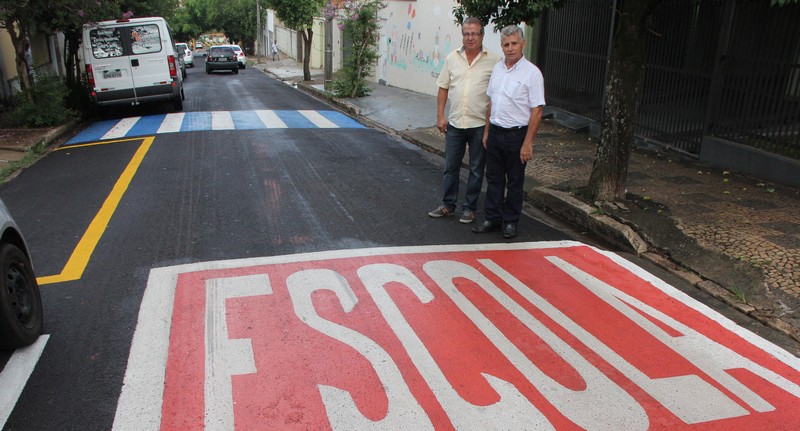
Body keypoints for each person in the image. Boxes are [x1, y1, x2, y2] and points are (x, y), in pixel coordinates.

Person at [472, 25, 545, 239]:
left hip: (516, 135)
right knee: (493, 178)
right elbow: (491, 102)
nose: (510, 48)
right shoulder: (497, 69)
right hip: (495, 132)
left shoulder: (532, 73)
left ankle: (510, 221)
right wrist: (487, 131)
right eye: (506, 44)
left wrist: (527, 143)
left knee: (514, 181)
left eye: (514, 43)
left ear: (523, 44)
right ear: (501, 46)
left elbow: (537, 110)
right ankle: (492, 218)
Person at [427, 18, 499, 224]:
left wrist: (490, 125)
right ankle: (448, 205)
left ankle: (469, 208)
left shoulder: (494, 61)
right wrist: (440, 115)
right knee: (451, 166)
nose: (470, 37)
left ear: (482, 36)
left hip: (479, 124)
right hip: (455, 123)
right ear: (463, 35)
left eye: (474, 33)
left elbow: (496, 94)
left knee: (477, 169)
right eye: (467, 33)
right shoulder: (452, 58)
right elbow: (443, 88)